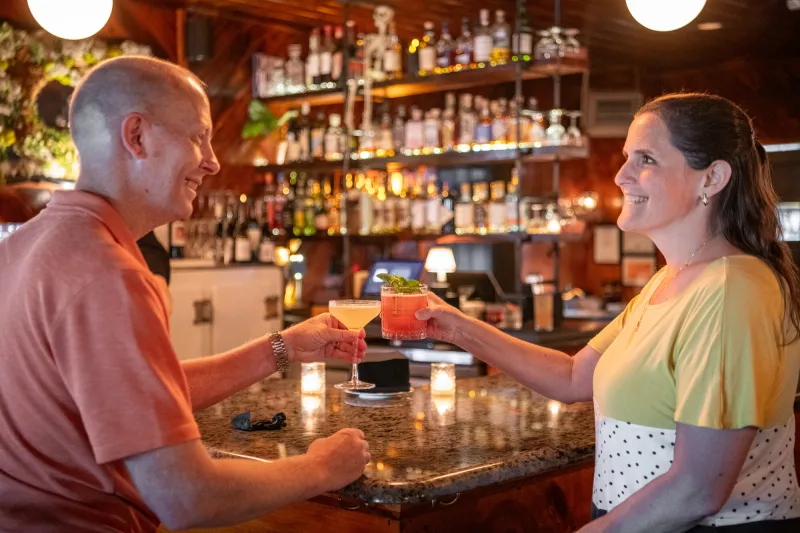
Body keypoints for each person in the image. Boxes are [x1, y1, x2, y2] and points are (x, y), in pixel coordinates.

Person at [0, 56, 370, 532]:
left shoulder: (24, 246)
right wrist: (321, 467)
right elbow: (187, 497)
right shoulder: (108, 275)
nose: (213, 162)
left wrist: (281, 348)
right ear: (137, 136)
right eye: (198, 137)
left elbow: (126, 395)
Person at [416, 93, 800, 532]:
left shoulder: (731, 290)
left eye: (646, 159)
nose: (620, 175)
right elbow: (573, 376)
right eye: (625, 157)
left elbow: (698, 487)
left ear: (711, 178)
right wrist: (456, 327)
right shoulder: (670, 280)